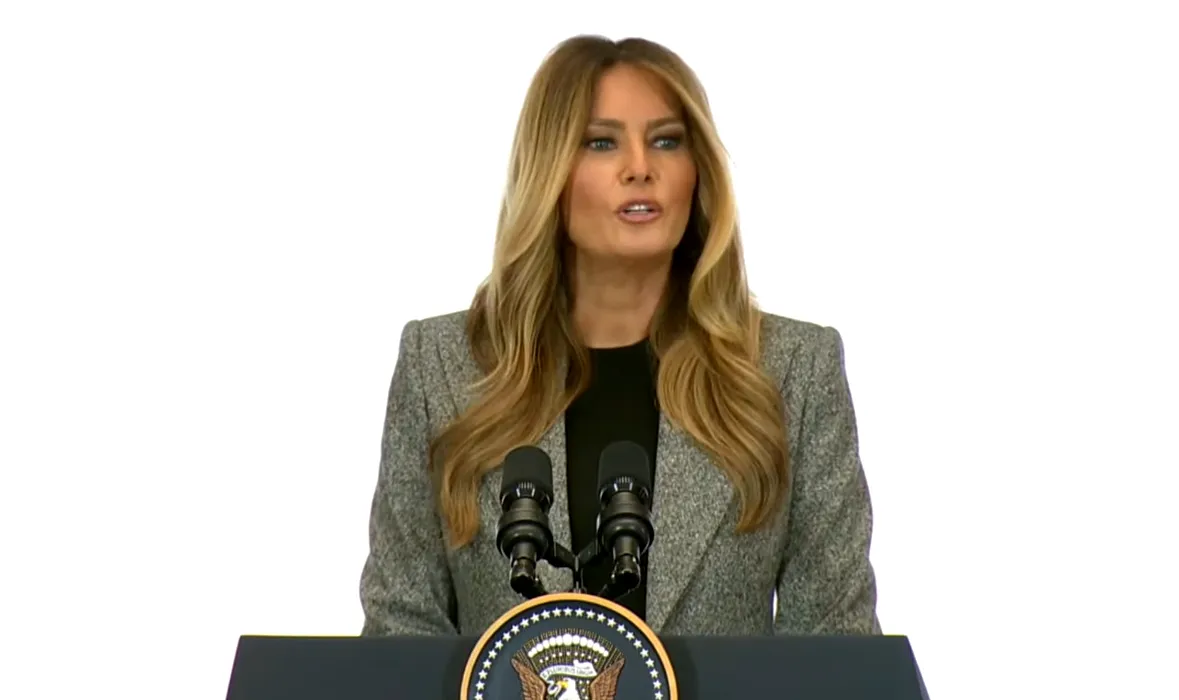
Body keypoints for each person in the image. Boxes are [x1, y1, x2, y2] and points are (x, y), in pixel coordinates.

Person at [359, 34, 881, 637]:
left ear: (698, 173)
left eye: (667, 140)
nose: (640, 168)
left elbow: (837, 644)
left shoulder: (793, 370)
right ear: (549, 171)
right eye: (602, 142)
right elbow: (400, 631)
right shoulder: (441, 367)